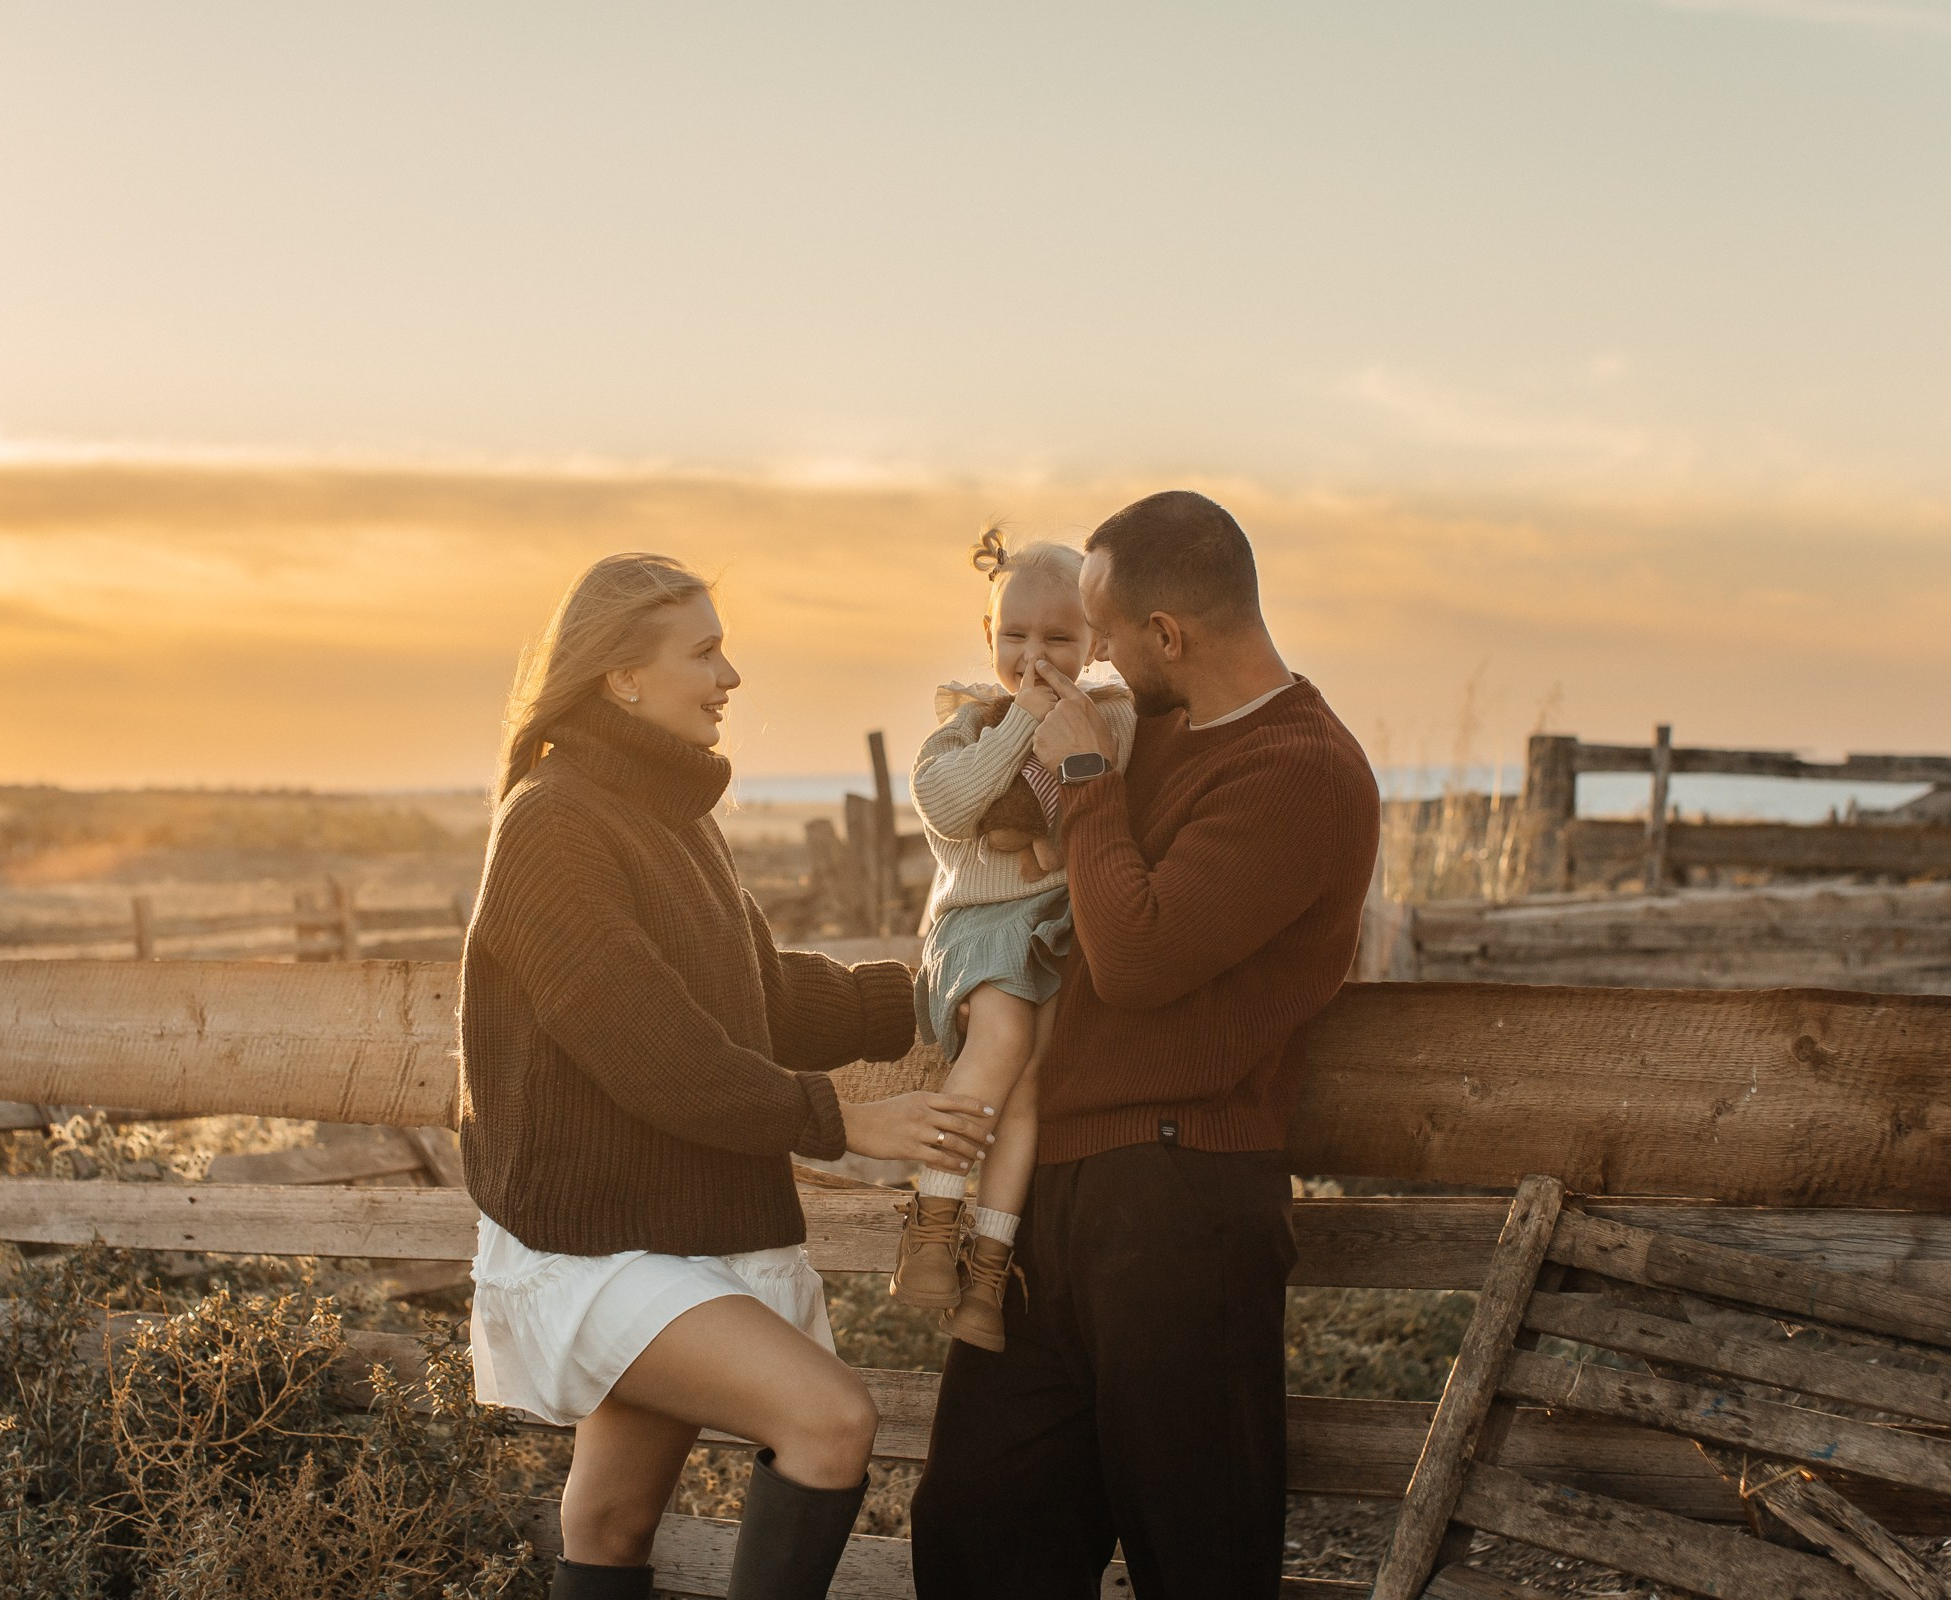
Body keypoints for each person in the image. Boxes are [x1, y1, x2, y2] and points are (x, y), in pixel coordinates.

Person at [459, 552, 996, 1600]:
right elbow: (656, 1051)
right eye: (703, 653)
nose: (730, 677)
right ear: (622, 677)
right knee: (830, 1420)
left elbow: (764, 996)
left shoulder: (674, 816)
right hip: (590, 1244)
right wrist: (843, 1119)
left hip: (669, 1224)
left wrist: (934, 995)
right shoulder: (553, 824)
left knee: (609, 1522)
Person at [910, 493, 1382, 1598]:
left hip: (1180, 1205)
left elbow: (1136, 955)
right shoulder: (1139, 729)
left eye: (1106, 634)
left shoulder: (1300, 770)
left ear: (1165, 633)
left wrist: (1084, 780)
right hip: (1051, 1198)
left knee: (1195, 1556)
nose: (1093, 662)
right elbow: (1015, 873)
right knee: (976, 1532)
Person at [892, 528, 1136, 1352]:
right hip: (981, 926)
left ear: (1097, 642)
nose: (1034, 657)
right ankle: (933, 1225)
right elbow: (950, 807)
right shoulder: (965, 724)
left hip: (1056, 932)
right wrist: (1018, 723)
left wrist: (1076, 733)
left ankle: (987, 1274)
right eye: (1015, 636)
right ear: (988, 634)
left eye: (1060, 639)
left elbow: (1113, 803)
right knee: (998, 1043)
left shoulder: (1112, 717)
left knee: (1029, 1087)